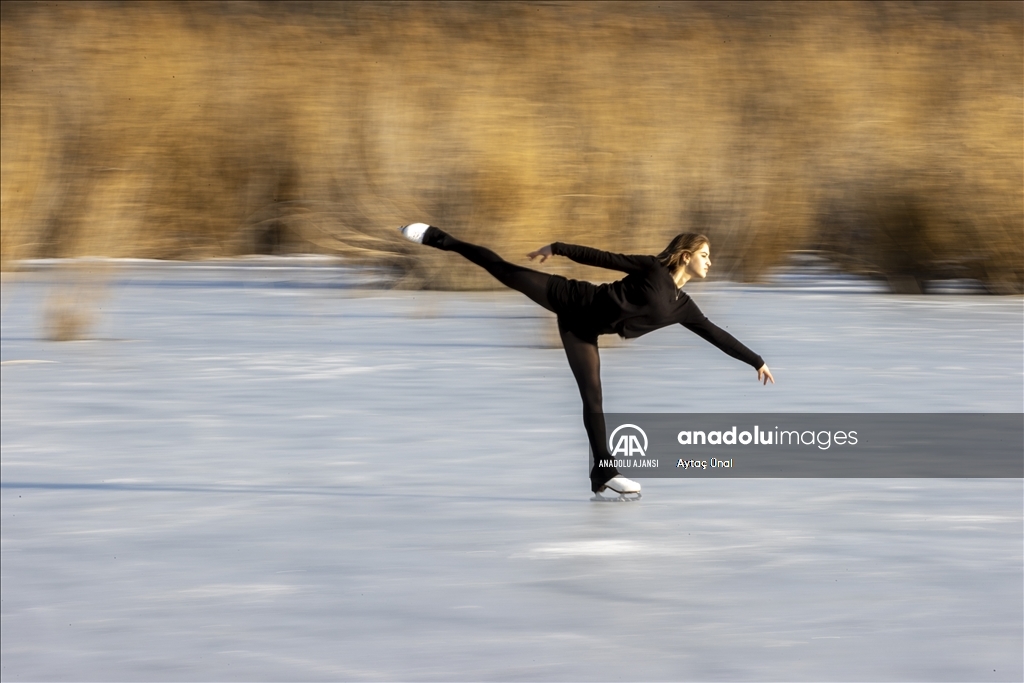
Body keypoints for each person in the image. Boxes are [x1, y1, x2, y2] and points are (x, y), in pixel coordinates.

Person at [399, 222, 774, 499]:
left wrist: (755, 360)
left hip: (582, 331)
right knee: (504, 271)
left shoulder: (684, 308)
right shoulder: (652, 271)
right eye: (705, 256)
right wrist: (557, 247)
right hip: (570, 298)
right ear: (687, 256)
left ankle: (603, 474)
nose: (710, 262)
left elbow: (715, 334)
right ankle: (438, 238)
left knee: (593, 399)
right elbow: (603, 258)